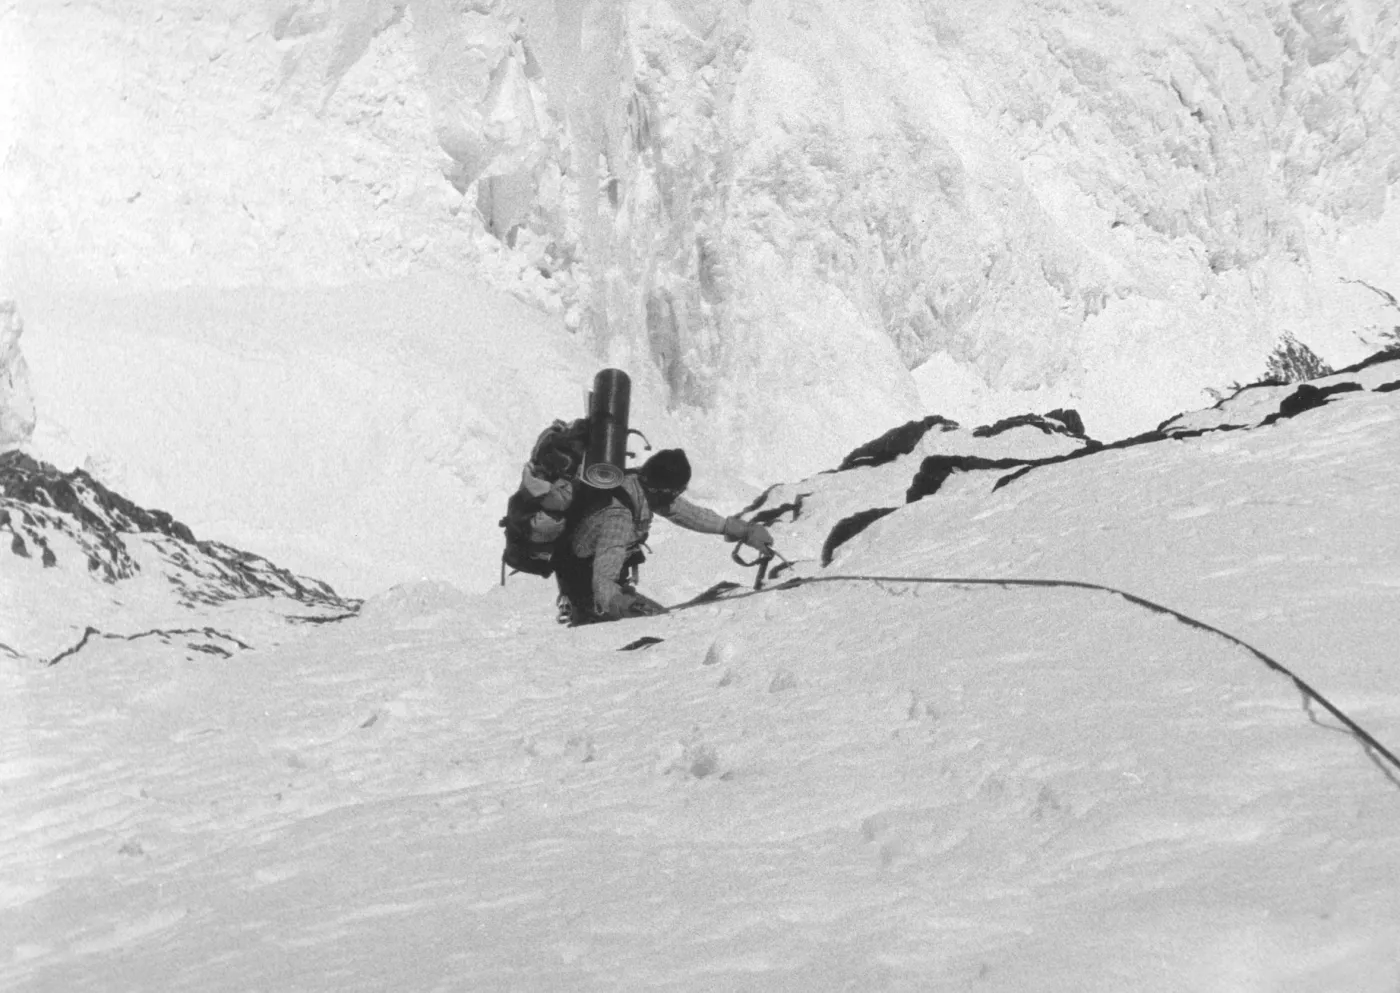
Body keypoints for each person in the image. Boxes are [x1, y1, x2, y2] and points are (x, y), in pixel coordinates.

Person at [553, 448, 773, 625]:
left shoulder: (639, 486)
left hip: (604, 585)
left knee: (660, 620)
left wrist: (742, 530)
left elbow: (690, 515)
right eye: (676, 493)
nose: (676, 499)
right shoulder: (618, 517)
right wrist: (622, 604)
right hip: (590, 592)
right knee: (658, 625)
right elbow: (602, 579)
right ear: (662, 490)